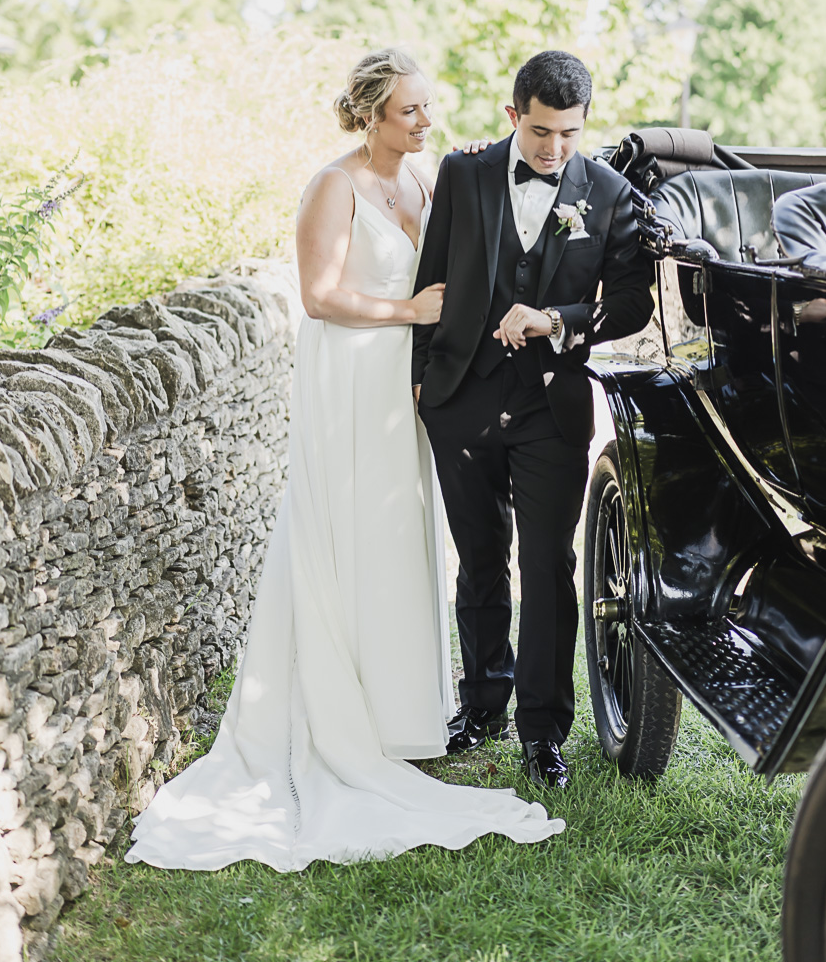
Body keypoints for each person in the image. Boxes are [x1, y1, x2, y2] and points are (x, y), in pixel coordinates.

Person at [126, 49, 564, 873]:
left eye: (427, 110)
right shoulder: (332, 186)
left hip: (407, 384)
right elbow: (320, 295)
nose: (424, 122)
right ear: (370, 115)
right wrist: (407, 310)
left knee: (399, 539)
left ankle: (398, 716)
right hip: (350, 376)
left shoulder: (431, 180)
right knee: (347, 531)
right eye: (409, 112)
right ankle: (337, 715)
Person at [413, 50, 654, 790]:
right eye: (542, 131)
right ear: (513, 116)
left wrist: (555, 318)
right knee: (479, 558)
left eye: (569, 135)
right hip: (462, 396)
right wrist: (425, 377)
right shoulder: (464, 172)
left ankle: (543, 732)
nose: (554, 149)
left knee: (548, 567)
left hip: (552, 404)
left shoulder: (610, 196)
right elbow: (433, 276)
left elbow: (630, 305)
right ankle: (482, 703)